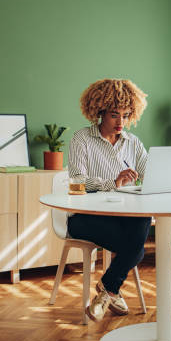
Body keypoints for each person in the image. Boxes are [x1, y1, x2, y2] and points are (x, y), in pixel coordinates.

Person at [67, 78, 152, 322]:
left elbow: (150, 174)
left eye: (126, 116)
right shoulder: (81, 139)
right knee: (135, 248)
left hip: (122, 216)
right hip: (85, 218)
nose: (121, 123)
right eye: (115, 115)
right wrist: (112, 183)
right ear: (99, 111)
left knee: (141, 223)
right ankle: (111, 289)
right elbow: (75, 183)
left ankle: (107, 290)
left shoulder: (133, 142)